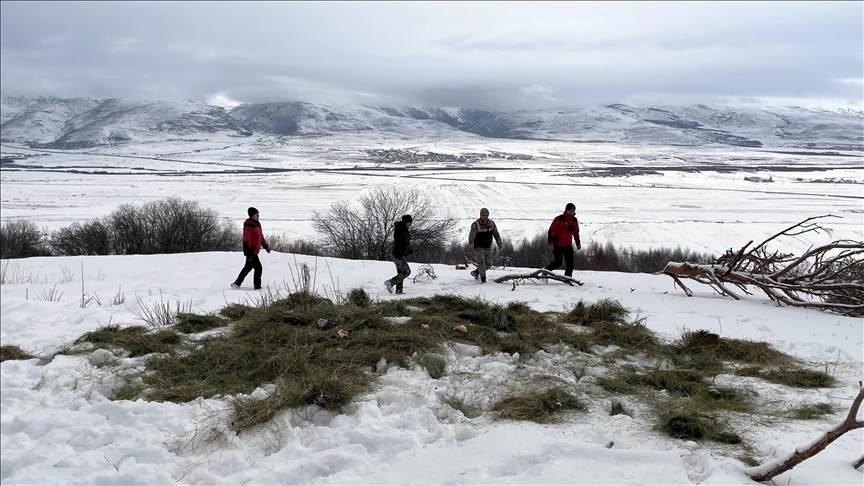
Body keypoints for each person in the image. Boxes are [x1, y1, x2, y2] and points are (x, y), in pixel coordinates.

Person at [231, 207, 270, 290]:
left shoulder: (257, 224)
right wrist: (248, 252)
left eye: (258, 214)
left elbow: (260, 237)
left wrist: (266, 246)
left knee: (248, 267)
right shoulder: (249, 226)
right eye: (256, 214)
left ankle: (236, 283)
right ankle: (257, 286)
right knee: (258, 268)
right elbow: (246, 240)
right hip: (251, 250)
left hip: (254, 250)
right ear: (252, 215)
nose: (258, 216)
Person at [544, 202, 581, 278]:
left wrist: (578, 243)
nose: (571, 212)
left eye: (573, 211)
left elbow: (576, 233)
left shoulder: (574, 220)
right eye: (570, 210)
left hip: (568, 245)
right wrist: (550, 243)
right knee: (558, 262)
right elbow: (551, 230)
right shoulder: (559, 219)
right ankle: (545, 271)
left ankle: (567, 277)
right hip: (557, 244)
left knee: (570, 263)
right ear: (566, 210)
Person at [468, 207, 503, 283]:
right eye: (483, 215)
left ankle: (476, 272)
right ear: (480, 215)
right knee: (481, 264)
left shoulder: (492, 223)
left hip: (488, 247)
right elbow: (471, 238)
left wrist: (499, 244)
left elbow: (496, 234)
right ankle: (483, 280)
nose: (485, 217)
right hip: (478, 247)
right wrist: (471, 249)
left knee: (489, 264)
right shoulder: (475, 224)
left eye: (487, 215)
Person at [385, 214, 414, 294]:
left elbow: (405, 244)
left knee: (401, 273)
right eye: (410, 223)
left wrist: (410, 251)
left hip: (400, 254)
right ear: (406, 222)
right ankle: (390, 282)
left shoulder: (404, 230)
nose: (410, 224)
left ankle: (399, 291)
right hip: (397, 255)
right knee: (407, 272)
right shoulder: (400, 231)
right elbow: (397, 244)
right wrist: (398, 258)